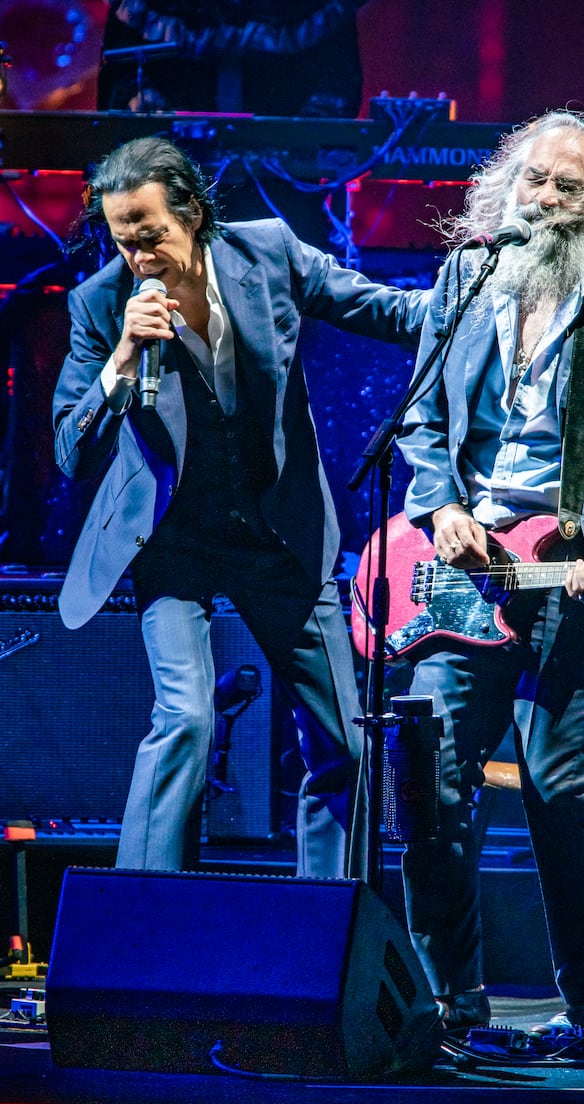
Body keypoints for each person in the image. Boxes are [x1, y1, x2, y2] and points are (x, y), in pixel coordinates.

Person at [52, 135, 426, 876]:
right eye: (124, 242)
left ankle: (322, 937)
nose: (140, 258)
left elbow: (381, 309)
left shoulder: (269, 255)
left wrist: (483, 311)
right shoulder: (101, 306)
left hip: (278, 527)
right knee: (184, 721)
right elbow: (71, 451)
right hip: (172, 539)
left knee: (343, 743)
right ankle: (139, 936)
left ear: (192, 213)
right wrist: (122, 364)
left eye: (152, 235)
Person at [395, 109, 584, 1036]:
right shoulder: (465, 277)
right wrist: (440, 506)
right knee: (433, 779)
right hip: (466, 569)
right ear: (505, 186)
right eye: (535, 180)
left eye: (570, 186)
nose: (547, 198)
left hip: (573, 574)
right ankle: (451, 999)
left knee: (556, 786)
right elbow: (420, 424)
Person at [97, 1, 369, 117]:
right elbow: (120, 72)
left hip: (285, 188)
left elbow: (338, 81)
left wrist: (303, 137)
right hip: (162, 174)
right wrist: (140, 100)